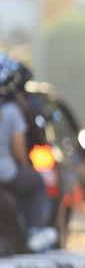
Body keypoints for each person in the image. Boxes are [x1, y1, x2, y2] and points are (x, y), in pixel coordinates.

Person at [0, 53, 57, 252]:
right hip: (6, 172)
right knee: (36, 182)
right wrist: (23, 164)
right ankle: (34, 230)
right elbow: (19, 147)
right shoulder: (11, 111)